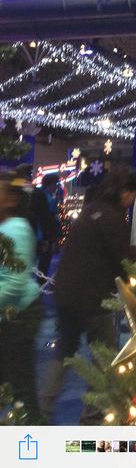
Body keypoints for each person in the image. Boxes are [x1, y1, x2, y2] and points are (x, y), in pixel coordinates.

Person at [39, 166, 136, 423]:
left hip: (66, 292)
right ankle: (93, 414)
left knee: (65, 349)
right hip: (92, 298)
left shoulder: (91, 210)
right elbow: (124, 259)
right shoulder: (112, 218)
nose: (131, 201)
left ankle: (42, 408)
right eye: (132, 195)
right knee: (104, 354)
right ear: (125, 193)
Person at [0, 172, 43, 419]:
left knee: (21, 385)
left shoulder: (16, 229)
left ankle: (31, 444)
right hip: (9, 317)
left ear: (10, 200)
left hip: (21, 317)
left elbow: (14, 283)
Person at [29, 172, 62, 279]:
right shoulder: (44, 199)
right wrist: (46, 239)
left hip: (42, 236)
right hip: (42, 237)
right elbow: (44, 221)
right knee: (41, 264)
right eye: (55, 184)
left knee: (39, 263)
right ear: (49, 184)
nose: (57, 187)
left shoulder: (46, 197)